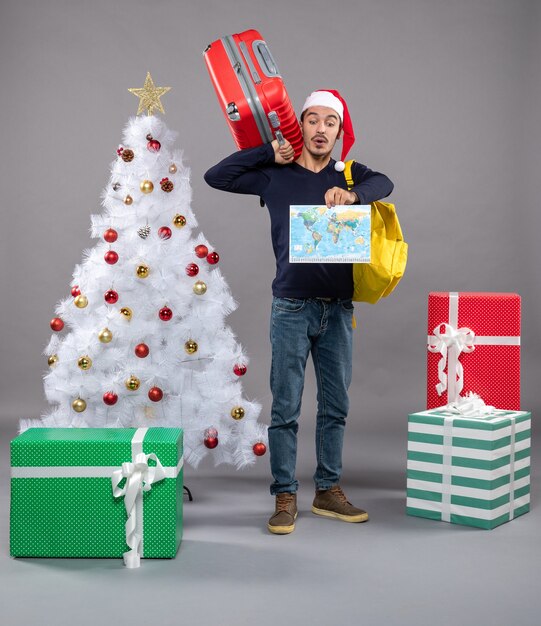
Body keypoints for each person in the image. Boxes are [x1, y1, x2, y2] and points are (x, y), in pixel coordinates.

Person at [204, 90, 394, 534]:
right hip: (291, 308)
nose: (322, 129)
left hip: (338, 309)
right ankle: (285, 494)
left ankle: (327, 490)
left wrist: (354, 195)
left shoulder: (349, 174)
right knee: (286, 406)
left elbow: (384, 182)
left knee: (336, 405)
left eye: (331, 122)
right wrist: (268, 150)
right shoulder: (275, 176)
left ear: (340, 132)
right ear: (300, 127)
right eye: (313, 120)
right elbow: (218, 175)